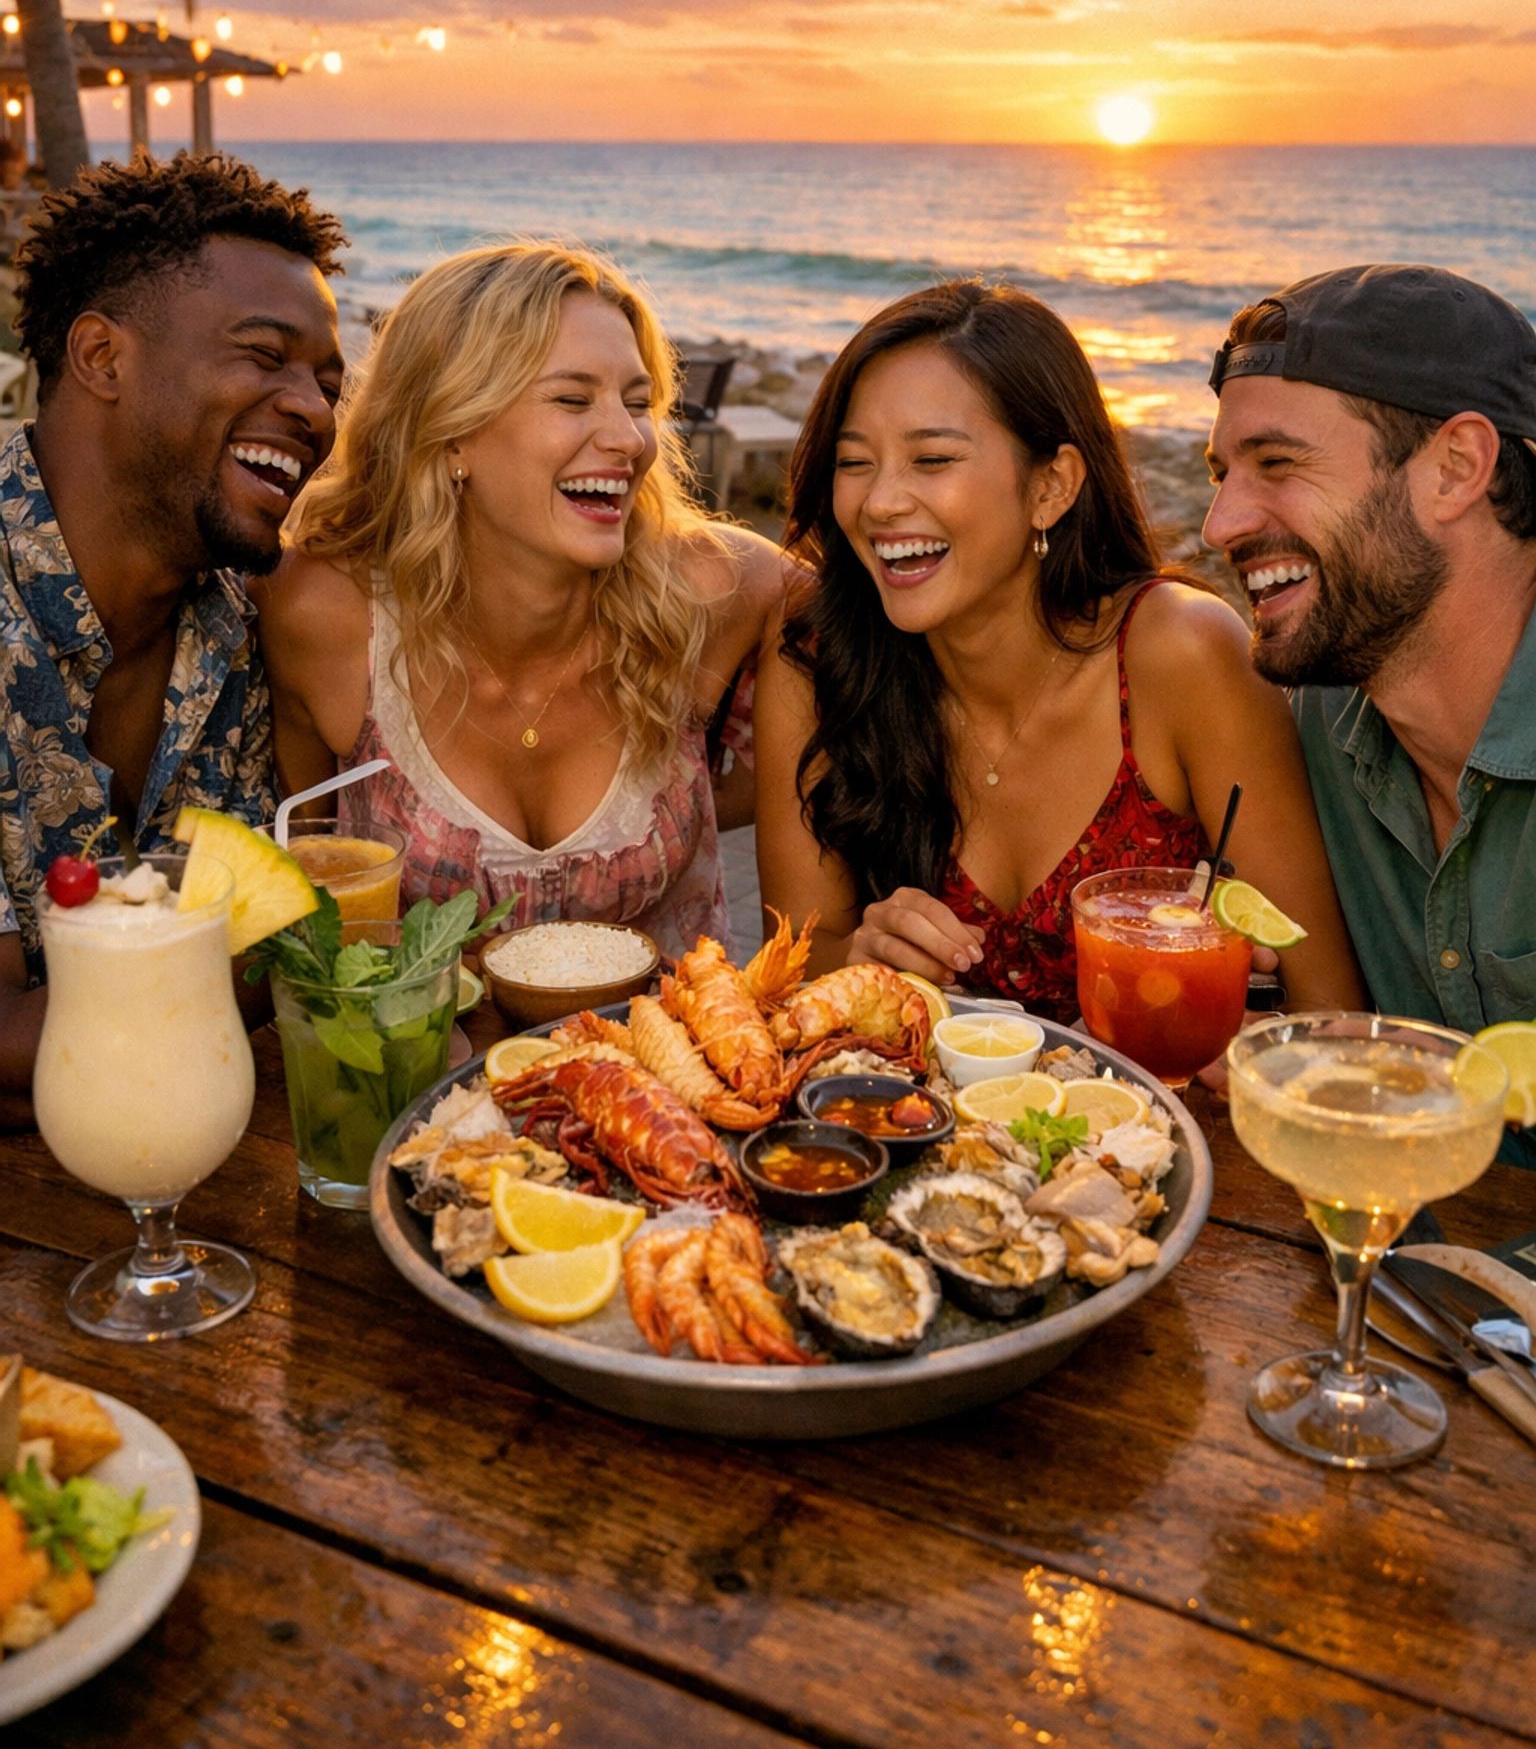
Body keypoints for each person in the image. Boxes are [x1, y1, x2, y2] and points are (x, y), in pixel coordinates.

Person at [755, 280, 1363, 1020]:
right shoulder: (818, 665)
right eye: (854, 463)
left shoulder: (1182, 655)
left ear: (1052, 486)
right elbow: (791, 978)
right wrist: (862, 962)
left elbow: (1326, 1011)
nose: (880, 502)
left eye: (932, 459)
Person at [258, 241, 791, 961]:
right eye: (573, 400)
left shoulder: (717, 589)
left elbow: (883, 656)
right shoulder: (329, 617)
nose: (628, 439)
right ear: (452, 434)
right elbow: (303, 909)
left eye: (638, 404)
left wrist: (707, 791)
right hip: (429, 1071)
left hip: (673, 1063)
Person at [0, 151, 347, 1128]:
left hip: (189, 1215)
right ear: (105, 358)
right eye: (263, 354)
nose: (317, 411)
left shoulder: (243, 624)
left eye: (328, 381)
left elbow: (271, 949)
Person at [1205, 266, 1536, 1096]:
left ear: (1456, 468)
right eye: (1219, 474)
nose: (1219, 526)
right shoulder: (1321, 710)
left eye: (1277, 462)